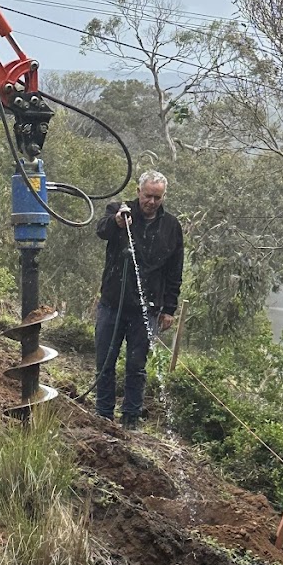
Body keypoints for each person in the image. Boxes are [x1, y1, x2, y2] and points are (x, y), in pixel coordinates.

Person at [94, 169, 184, 428]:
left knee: (136, 364)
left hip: (148, 308)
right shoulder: (120, 211)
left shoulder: (171, 227)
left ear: (163, 197)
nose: (151, 202)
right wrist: (118, 223)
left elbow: (175, 270)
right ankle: (103, 414)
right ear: (138, 192)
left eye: (157, 197)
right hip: (113, 302)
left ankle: (131, 417)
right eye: (147, 196)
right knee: (105, 360)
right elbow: (102, 229)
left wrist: (169, 308)